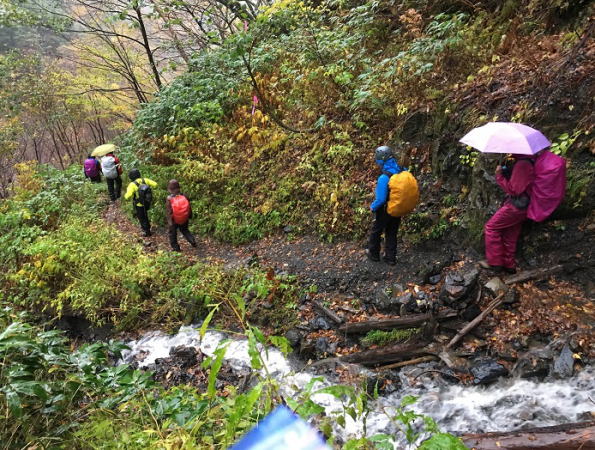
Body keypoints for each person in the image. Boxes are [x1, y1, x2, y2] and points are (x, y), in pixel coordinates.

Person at [479, 154, 537, 274]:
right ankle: (509, 265)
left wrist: (499, 175)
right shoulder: (528, 161)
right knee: (510, 234)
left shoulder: (522, 165)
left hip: (516, 206)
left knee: (491, 227)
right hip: (525, 206)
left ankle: (494, 263)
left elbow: (514, 190)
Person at [367, 145, 405, 266]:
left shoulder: (384, 177)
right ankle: (390, 258)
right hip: (398, 207)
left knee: (376, 231)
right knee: (392, 232)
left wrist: (372, 207)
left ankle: (373, 254)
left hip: (385, 210)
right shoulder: (401, 170)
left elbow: (381, 199)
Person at [165, 179, 197, 251]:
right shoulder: (184, 195)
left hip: (174, 220)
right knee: (185, 230)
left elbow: (169, 211)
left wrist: (170, 223)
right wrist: (190, 215)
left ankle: (176, 248)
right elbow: (189, 207)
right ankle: (193, 241)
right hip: (184, 217)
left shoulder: (169, 198)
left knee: (172, 234)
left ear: (170, 188)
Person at [124, 169, 157, 237]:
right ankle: (148, 228)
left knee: (142, 217)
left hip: (139, 204)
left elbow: (128, 196)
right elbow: (155, 184)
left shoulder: (132, 184)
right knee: (145, 215)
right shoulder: (145, 180)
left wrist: (125, 196)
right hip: (147, 202)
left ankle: (146, 231)